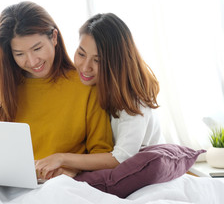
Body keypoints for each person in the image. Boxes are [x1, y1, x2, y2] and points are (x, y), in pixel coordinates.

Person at [0, 1, 113, 177]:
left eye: (37, 48)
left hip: (57, 184)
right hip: (9, 182)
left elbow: (101, 151)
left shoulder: (85, 85)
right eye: (19, 54)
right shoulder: (5, 89)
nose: (32, 61)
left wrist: (69, 169)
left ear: (53, 37)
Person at [36, 13, 165, 180]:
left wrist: (62, 158)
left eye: (98, 60)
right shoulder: (91, 87)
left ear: (117, 62)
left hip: (143, 173)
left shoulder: (132, 99)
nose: (85, 67)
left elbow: (121, 157)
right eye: (81, 54)